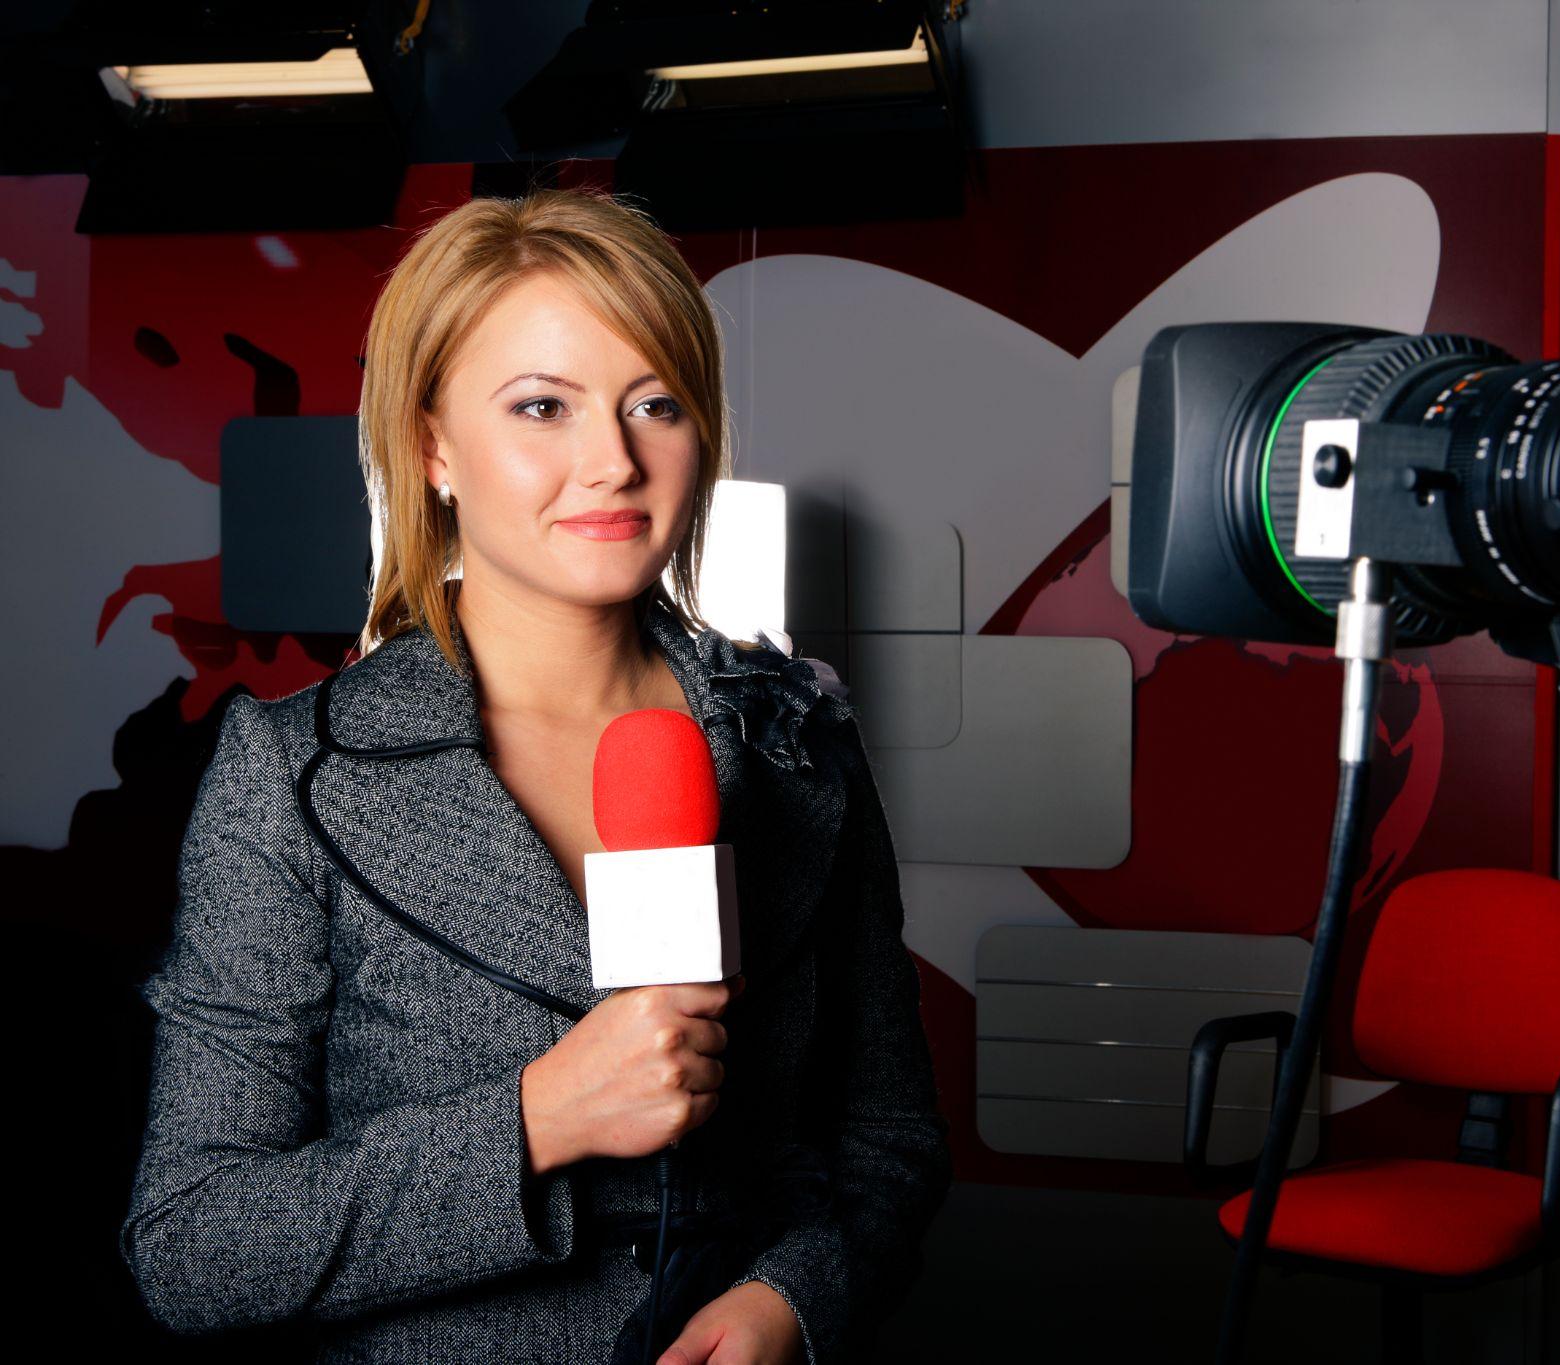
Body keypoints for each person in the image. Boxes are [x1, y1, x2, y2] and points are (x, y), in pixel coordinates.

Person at [119, 188, 952, 1364]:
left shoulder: (793, 734)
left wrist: (792, 1300)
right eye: (542, 407)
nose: (610, 462)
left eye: (652, 404)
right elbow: (195, 1246)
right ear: (431, 447)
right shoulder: (289, 776)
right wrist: (533, 1123)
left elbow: (886, 1132)